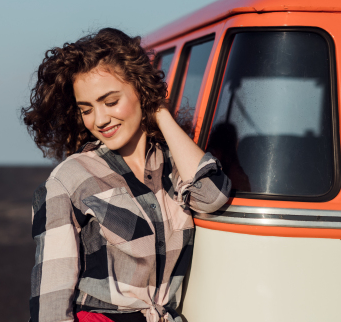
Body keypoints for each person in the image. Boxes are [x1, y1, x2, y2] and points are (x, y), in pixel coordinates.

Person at [21, 28, 231, 322]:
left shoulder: (174, 164)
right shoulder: (69, 179)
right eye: (87, 109)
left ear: (139, 90)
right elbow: (50, 304)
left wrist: (157, 109)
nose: (100, 119)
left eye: (110, 102)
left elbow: (212, 196)